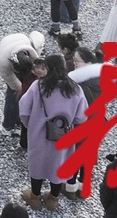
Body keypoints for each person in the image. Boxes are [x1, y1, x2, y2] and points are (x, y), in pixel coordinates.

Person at [19, 54, 86, 206]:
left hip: (38, 134)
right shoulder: (75, 89)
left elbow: (23, 110)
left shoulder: (38, 86)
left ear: (48, 68)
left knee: (37, 164)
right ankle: (53, 199)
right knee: (59, 164)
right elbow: (81, 117)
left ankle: (34, 197)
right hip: (64, 135)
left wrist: (31, 125)